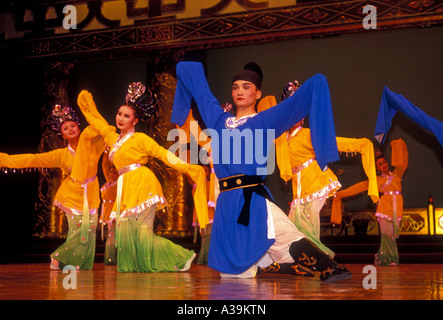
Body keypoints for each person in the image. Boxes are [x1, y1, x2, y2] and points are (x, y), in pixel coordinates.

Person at [171, 61, 352, 282]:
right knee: (232, 275)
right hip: (226, 203)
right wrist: (181, 95)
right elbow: (198, 86)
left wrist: (318, 84)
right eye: (236, 86)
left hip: (251, 198)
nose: (239, 91)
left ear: (258, 94)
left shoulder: (262, 122)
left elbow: (304, 97)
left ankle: (329, 267)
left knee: (283, 233)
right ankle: (271, 266)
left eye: (246, 87)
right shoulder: (219, 121)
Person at [77, 82, 209, 273]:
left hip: (142, 182)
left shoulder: (141, 139)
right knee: (126, 232)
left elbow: (164, 154)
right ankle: (135, 265)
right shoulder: (112, 137)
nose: (121, 118)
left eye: (127, 116)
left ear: (135, 121)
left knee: (143, 232)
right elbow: (96, 121)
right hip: (125, 185)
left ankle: (181, 257)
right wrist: (85, 103)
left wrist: (188, 168)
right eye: (120, 114)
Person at [257, 81, 379, 258]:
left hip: (315, 181)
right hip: (299, 187)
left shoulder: (306, 134)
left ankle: (318, 258)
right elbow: (266, 122)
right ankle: (304, 258)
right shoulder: (283, 139)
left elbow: (332, 142)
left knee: (306, 223)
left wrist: (360, 145)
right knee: (293, 224)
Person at [0, 104, 105, 270]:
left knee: (90, 230)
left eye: (73, 125)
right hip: (72, 195)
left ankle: (75, 264)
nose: (70, 129)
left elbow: (104, 128)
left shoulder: (95, 145)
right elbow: (34, 159)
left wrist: (88, 104)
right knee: (78, 230)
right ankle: (58, 258)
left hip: (91, 193)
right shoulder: (61, 155)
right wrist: (5, 160)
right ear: (62, 135)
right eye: (65, 128)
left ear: (79, 127)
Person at [331, 138, 408, 266]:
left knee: (392, 235)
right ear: (377, 168)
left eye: (384, 162)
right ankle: (392, 259)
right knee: (387, 235)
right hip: (384, 208)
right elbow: (359, 187)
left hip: (397, 208)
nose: (383, 165)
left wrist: (398, 145)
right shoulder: (375, 180)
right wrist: (340, 194)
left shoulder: (397, 174)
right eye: (380, 164)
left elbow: (404, 161)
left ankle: (382, 257)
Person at [99, 150, 118, 265]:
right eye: (111, 172)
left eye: (114, 173)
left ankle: (112, 258)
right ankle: (110, 258)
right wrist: (105, 152)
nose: (111, 174)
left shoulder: (118, 183)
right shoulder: (108, 183)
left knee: (113, 235)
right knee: (110, 234)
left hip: (113, 210)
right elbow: (104, 166)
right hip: (105, 209)